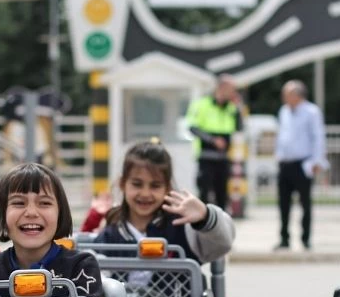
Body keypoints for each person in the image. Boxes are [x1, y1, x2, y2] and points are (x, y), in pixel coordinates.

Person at [0, 162, 102, 297]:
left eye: (44, 203)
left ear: (60, 214)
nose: (31, 212)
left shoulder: (81, 266)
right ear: (2, 213)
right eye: (19, 203)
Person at [94, 141, 235, 264]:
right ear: (122, 184)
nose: (145, 194)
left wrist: (206, 217)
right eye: (137, 184)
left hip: (179, 296)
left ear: (167, 188)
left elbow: (223, 244)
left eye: (155, 186)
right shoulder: (109, 235)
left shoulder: (182, 227)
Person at [274, 80, 326, 251]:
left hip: (303, 163)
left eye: (287, 94)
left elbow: (318, 137)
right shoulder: (284, 111)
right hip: (285, 163)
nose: (284, 97)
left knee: (305, 203)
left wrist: (316, 161)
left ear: (297, 95)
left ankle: (305, 239)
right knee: (283, 203)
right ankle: (284, 238)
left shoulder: (311, 111)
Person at [185, 75, 244, 212]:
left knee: (222, 196)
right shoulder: (202, 104)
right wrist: (212, 140)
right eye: (231, 89)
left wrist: (238, 108)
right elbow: (192, 127)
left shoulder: (231, 108)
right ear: (221, 88)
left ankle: (220, 227)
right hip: (206, 157)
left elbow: (239, 128)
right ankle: (202, 226)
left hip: (223, 158)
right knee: (204, 194)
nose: (234, 92)